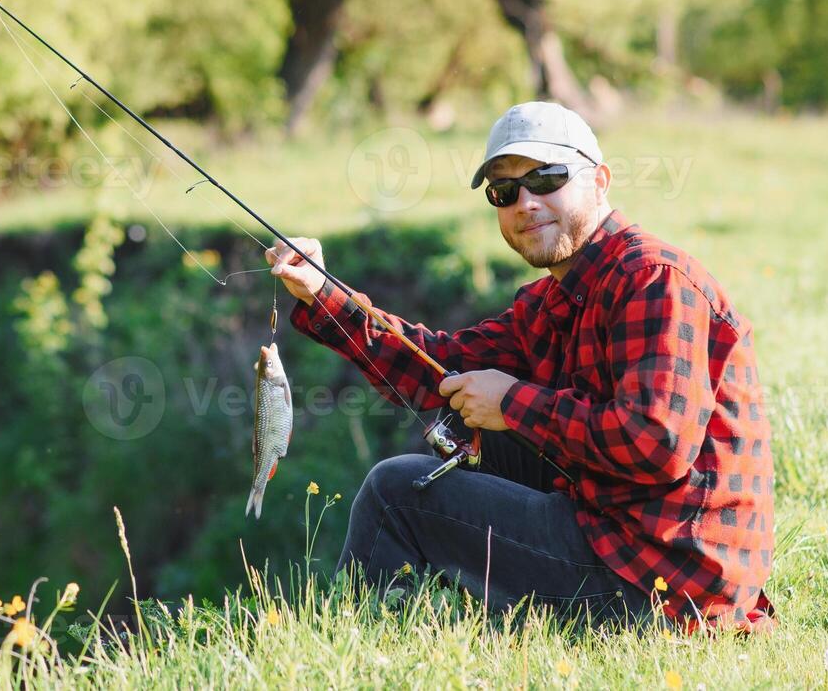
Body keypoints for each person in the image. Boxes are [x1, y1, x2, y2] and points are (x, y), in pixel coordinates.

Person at [266, 101, 775, 631]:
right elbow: (436, 367)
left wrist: (510, 403)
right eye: (504, 191)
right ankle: (424, 623)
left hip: (668, 584)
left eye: (546, 179)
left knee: (395, 492)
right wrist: (324, 293)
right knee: (474, 428)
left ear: (599, 181)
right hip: (628, 535)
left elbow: (655, 444)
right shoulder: (550, 301)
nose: (525, 203)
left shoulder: (653, 280)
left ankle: (355, 647)